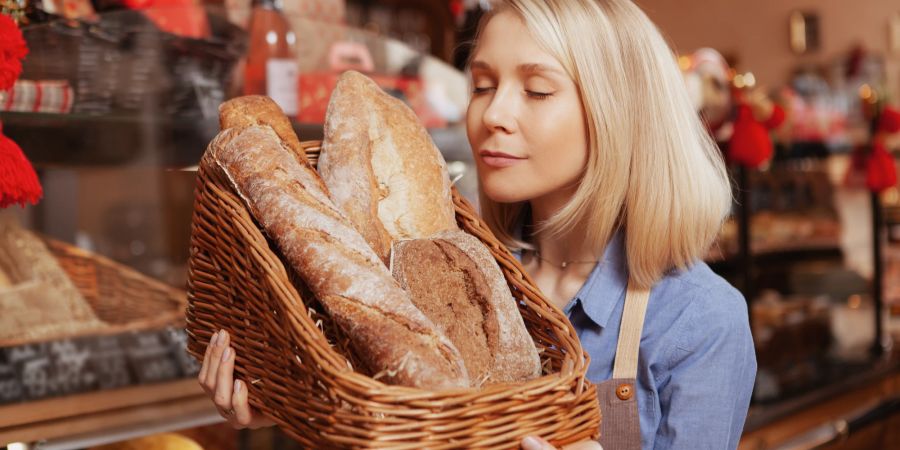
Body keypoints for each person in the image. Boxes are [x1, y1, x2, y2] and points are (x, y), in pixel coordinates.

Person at [198, 1, 757, 449]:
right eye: (483, 86)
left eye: (537, 91)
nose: (492, 115)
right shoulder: (460, 276)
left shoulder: (698, 320)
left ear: (620, 114)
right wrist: (292, 399)